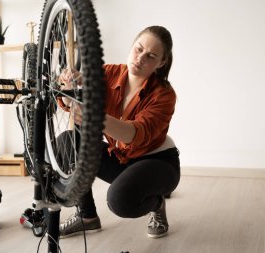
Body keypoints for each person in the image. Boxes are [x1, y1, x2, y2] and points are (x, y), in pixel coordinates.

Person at [58, 25, 180, 239]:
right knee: (69, 141)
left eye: (151, 56)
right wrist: (70, 87)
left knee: (120, 201)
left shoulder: (164, 95)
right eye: (138, 49)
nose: (140, 58)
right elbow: (73, 101)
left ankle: (157, 202)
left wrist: (94, 116)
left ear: (161, 63)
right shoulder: (107, 74)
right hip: (122, 159)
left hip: (158, 163)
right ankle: (87, 217)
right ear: (132, 46)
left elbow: (134, 134)